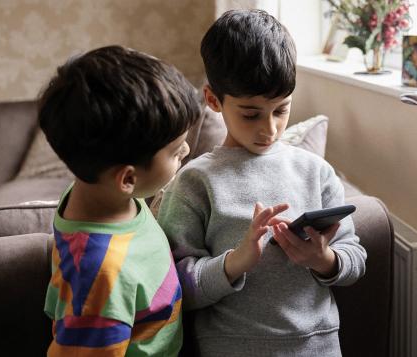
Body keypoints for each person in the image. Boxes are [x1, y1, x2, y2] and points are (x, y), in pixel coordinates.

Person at [156, 9, 367, 357]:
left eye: (281, 110)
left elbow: (354, 258)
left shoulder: (316, 172)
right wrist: (235, 262)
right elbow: (177, 288)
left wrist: (323, 258)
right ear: (213, 100)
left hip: (318, 346)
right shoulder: (194, 181)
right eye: (251, 114)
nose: (269, 129)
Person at [40, 45, 201, 356]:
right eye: (176, 148)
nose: (186, 152)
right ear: (127, 179)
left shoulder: (94, 194)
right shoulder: (102, 275)